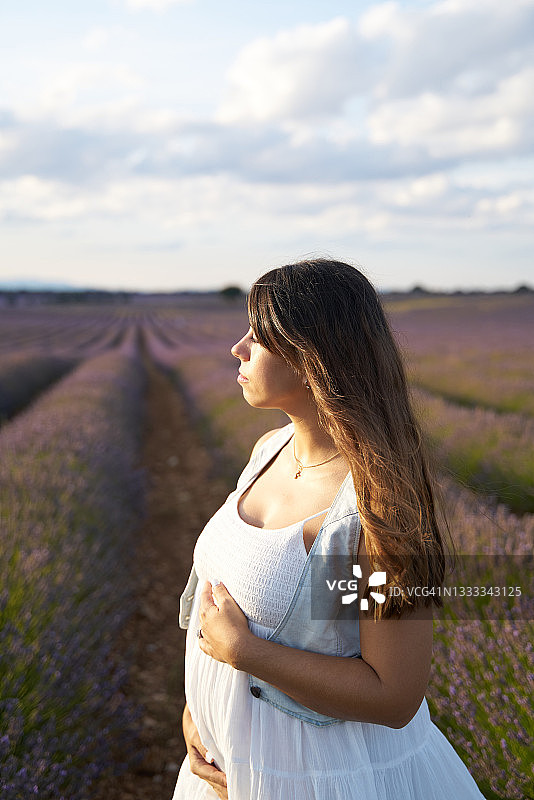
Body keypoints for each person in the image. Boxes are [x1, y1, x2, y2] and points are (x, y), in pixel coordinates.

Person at [172, 259, 487, 799]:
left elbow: (393, 694)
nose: (238, 348)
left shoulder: (375, 508)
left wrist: (244, 654)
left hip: (322, 778)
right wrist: (198, 714)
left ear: (312, 357)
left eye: (259, 335)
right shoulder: (268, 451)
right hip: (228, 768)